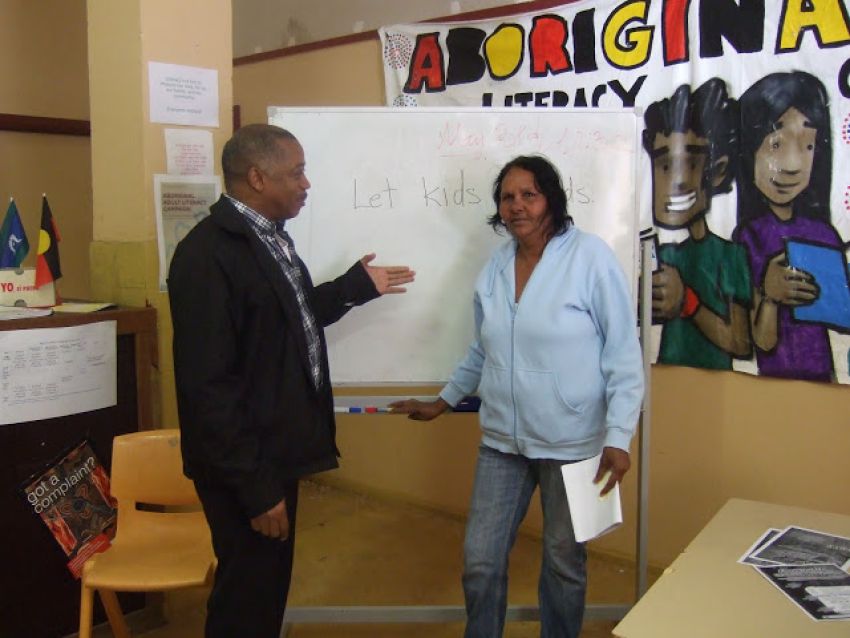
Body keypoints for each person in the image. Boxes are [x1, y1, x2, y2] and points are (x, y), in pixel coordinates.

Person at [168, 123, 415, 638]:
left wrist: (353, 287)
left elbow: (288, 319)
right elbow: (208, 388)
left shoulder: (269, 238)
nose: (307, 184)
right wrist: (257, 489)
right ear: (257, 177)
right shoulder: (207, 255)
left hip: (272, 452)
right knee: (246, 600)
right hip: (246, 467)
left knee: (266, 592)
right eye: (297, 172)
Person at [390, 155, 644, 638]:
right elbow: (482, 350)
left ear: (551, 199)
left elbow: (623, 354)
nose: (517, 206)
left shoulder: (589, 257)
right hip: (502, 443)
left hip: (574, 445)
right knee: (480, 563)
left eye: (529, 194)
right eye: (508, 197)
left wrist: (619, 435)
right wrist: (443, 400)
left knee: (564, 565)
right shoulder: (496, 267)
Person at [732, 71, 843, 381]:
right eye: (776, 144)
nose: (792, 164)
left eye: (807, 146)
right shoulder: (749, 237)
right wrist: (768, 296)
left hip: (825, 379)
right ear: (749, 151)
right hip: (772, 383)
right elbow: (762, 343)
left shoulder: (824, 235)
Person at [643, 79, 751, 369]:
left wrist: (688, 303)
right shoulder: (663, 256)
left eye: (690, 163)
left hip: (716, 392)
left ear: (717, 171)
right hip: (662, 386)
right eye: (665, 166)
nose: (677, 180)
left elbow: (741, 343)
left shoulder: (731, 256)